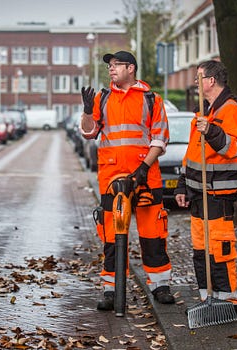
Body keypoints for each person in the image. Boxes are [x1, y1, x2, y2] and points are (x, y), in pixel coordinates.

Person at [80, 50, 175, 310]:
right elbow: (89, 132)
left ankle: (160, 285)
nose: (111, 69)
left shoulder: (150, 98)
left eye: (116, 65)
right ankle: (111, 290)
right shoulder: (103, 97)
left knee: (153, 234)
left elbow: (160, 137)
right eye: (110, 65)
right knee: (111, 236)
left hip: (145, 177)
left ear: (130, 68)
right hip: (111, 177)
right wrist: (88, 110)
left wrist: (144, 168)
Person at [174, 60, 237, 316]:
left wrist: (212, 131)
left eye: (198, 78)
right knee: (201, 251)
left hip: (218, 196)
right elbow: (191, 154)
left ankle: (228, 303)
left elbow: (234, 150)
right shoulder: (203, 112)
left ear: (211, 80)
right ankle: (208, 300)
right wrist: (182, 185)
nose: (196, 83)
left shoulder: (230, 111)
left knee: (220, 250)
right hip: (198, 196)